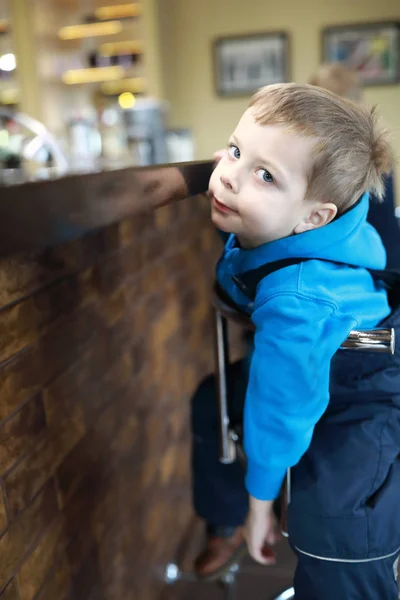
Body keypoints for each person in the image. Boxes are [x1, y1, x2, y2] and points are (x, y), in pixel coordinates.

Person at [191, 82, 400, 600]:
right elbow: (264, 218)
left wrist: (260, 501)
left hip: (371, 384)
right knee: (209, 403)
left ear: (314, 216)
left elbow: (281, 406)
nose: (229, 178)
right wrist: (254, 170)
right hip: (343, 353)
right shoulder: (308, 223)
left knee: (339, 530)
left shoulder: (298, 299)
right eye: (235, 151)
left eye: (265, 175)